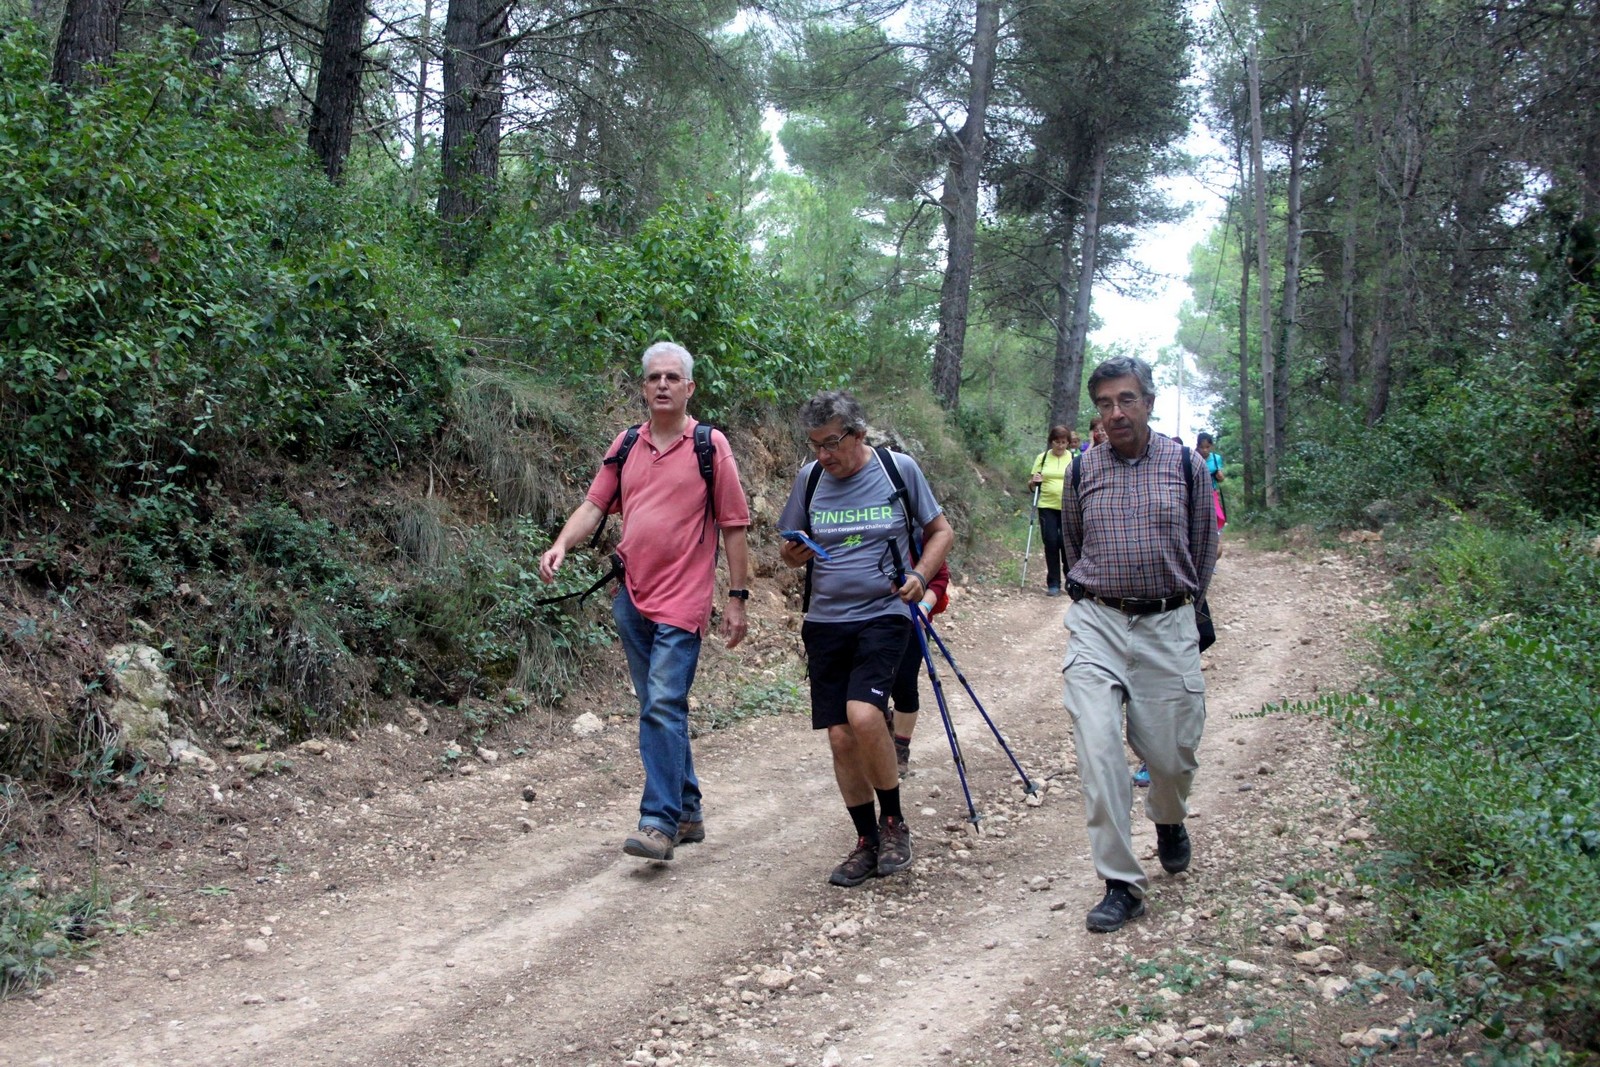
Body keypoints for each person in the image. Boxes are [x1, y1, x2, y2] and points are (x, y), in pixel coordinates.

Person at [539, 341, 752, 863]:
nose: (662, 384)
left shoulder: (709, 445)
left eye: (672, 377)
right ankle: (688, 810)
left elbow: (734, 525)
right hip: (631, 595)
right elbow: (595, 505)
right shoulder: (627, 443)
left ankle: (658, 822)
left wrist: (737, 597)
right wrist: (562, 543)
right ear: (643, 386)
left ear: (689, 388)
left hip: (684, 598)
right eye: (654, 377)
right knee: (659, 706)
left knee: (661, 703)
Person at [1060, 355, 1218, 933]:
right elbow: (1073, 545)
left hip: (1168, 623)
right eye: (1104, 404)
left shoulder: (1185, 465)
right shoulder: (1082, 469)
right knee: (1098, 751)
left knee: (1172, 758)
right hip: (1098, 622)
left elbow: (1204, 547)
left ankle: (1169, 818)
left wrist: (1179, 605)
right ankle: (1121, 884)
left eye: (1126, 400)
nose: (1116, 413)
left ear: (1148, 403)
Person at [778, 391, 954, 887]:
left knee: (864, 715)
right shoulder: (810, 479)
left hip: (883, 613)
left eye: (832, 443)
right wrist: (794, 554)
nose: (823, 455)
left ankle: (894, 823)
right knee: (839, 735)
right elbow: (790, 550)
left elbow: (941, 531)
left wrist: (921, 575)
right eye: (815, 445)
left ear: (858, 434)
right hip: (825, 620)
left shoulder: (898, 470)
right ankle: (866, 840)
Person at [886, 557, 951, 776]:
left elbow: (940, 576)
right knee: (869, 688)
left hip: (911, 618)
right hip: (865, 617)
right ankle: (881, 738)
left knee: (905, 686)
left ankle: (899, 751)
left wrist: (925, 606)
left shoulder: (919, 536)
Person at [1028, 426, 1076, 596]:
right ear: (1051, 442)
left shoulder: (1074, 459)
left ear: (1068, 443)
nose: (1060, 446)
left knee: (1066, 543)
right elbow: (1031, 485)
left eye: (1063, 442)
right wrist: (1034, 481)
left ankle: (1071, 580)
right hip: (1046, 505)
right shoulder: (1042, 458)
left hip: (1068, 507)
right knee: (1051, 542)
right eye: (1057, 442)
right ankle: (1053, 583)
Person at [1196, 432, 1226, 529]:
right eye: (1202, 447)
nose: (1205, 450)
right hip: (1197, 493)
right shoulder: (1194, 457)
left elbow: (1220, 478)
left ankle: (1215, 533)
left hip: (1212, 492)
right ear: (1197, 446)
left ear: (1211, 446)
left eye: (1207, 447)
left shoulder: (1216, 458)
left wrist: (1220, 476)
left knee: (1217, 516)